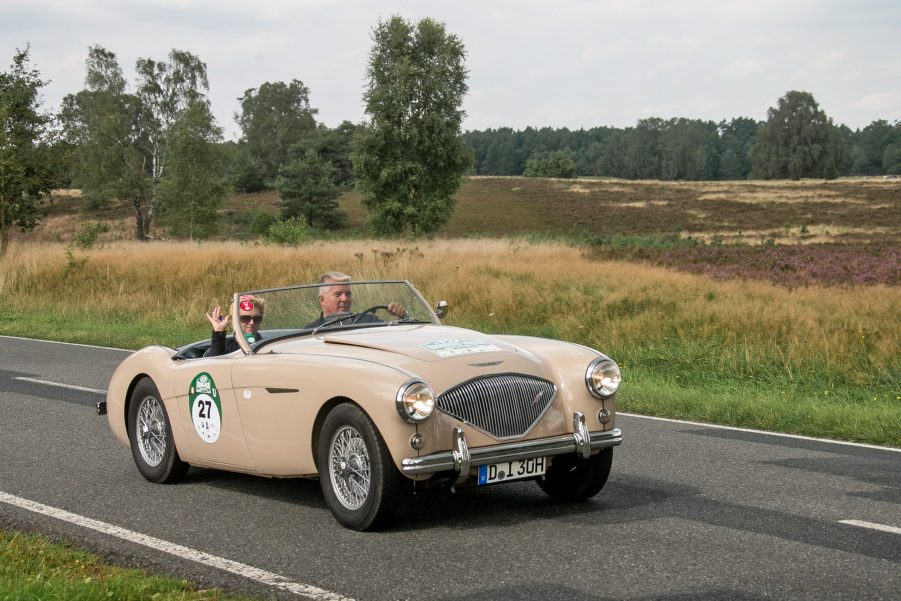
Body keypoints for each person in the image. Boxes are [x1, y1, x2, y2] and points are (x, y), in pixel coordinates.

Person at [305, 271, 406, 328]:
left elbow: (394, 337)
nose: (344, 299)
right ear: (322, 300)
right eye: (337, 294)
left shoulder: (369, 321)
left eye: (348, 294)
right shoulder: (311, 331)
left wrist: (402, 317)